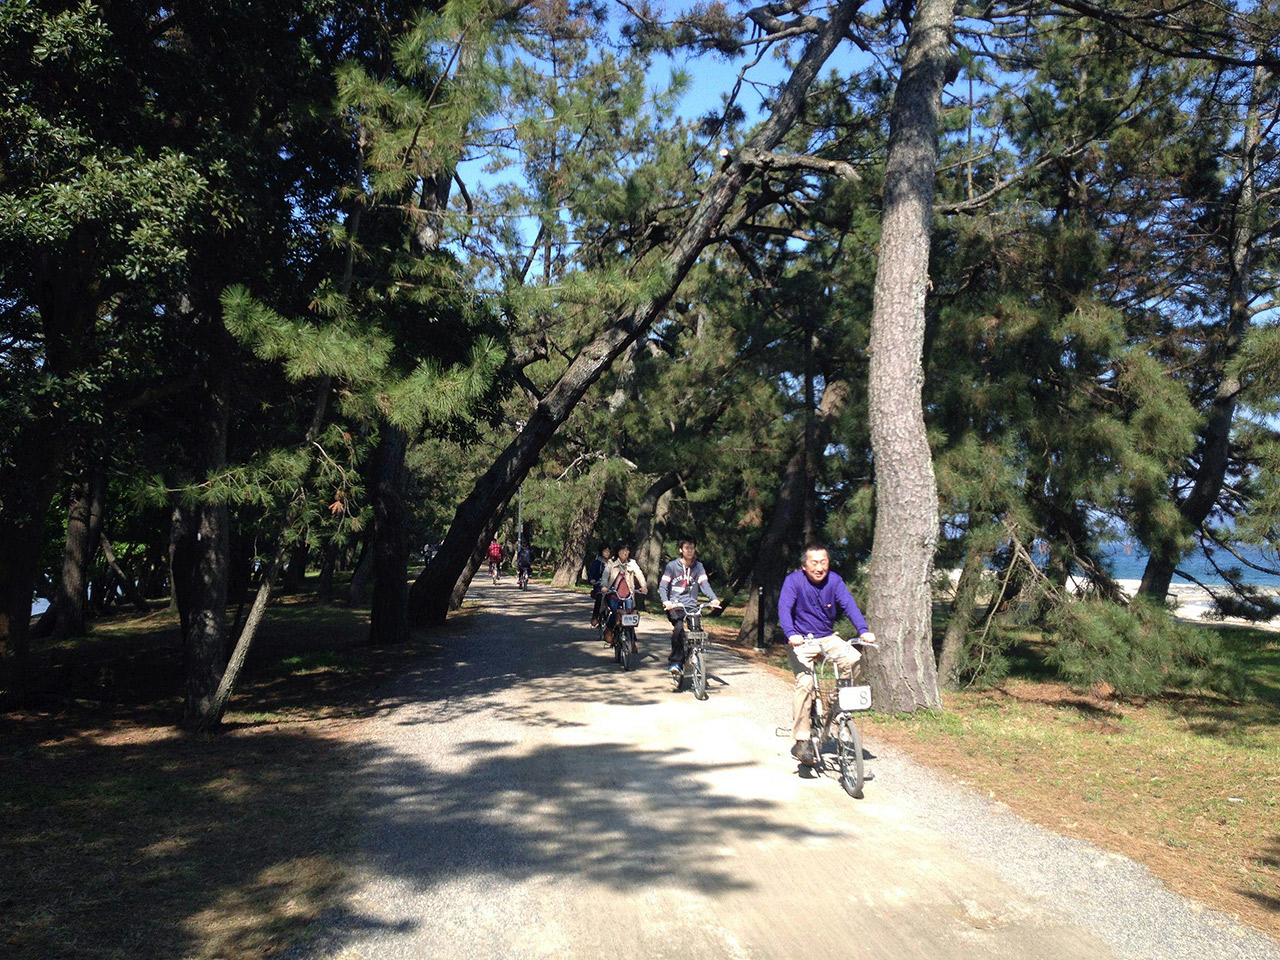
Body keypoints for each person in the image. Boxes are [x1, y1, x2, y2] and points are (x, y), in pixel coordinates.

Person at [778, 543, 876, 765]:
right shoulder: (793, 581)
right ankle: (802, 740)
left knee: (854, 659)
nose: (819, 567)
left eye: (823, 562)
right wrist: (791, 633)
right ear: (804, 565)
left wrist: (863, 631)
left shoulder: (834, 581)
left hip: (828, 637)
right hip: (801, 640)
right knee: (805, 684)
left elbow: (849, 605)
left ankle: (833, 707)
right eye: (814, 562)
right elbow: (784, 609)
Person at [659, 536, 721, 677]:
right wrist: (666, 601)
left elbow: (704, 584)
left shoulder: (698, 567)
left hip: (692, 606)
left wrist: (714, 599)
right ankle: (675, 662)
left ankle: (696, 657)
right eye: (686, 548)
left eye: (692, 548)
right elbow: (663, 586)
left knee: (697, 631)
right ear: (681, 550)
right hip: (675, 606)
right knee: (679, 629)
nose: (689, 551)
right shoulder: (672, 566)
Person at [602, 541, 647, 653]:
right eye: (622, 551)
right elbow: (605, 576)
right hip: (613, 594)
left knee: (630, 615)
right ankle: (609, 628)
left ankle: (631, 640)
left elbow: (639, 574)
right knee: (615, 611)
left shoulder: (632, 563)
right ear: (618, 552)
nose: (624, 553)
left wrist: (643, 586)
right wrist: (604, 587)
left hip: (628, 594)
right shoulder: (611, 563)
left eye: (626, 551)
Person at [588, 544, 612, 627]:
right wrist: (592, 580)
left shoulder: (612, 562)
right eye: (605, 551)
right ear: (601, 552)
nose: (607, 553)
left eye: (608, 551)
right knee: (599, 597)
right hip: (599, 585)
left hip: (610, 585)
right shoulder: (597, 562)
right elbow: (591, 573)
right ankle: (596, 616)